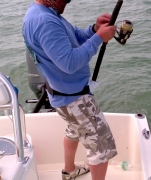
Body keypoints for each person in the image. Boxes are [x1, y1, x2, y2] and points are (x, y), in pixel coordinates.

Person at [22, 0, 118, 180]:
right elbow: (69, 63)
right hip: (75, 100)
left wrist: (94, 29)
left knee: (73, 131)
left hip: (63, 96)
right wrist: (99, 38)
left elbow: (73, 36)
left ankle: (69, 171)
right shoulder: (45, 21)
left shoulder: (42, 13)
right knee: (101, 148)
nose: (67, 1)